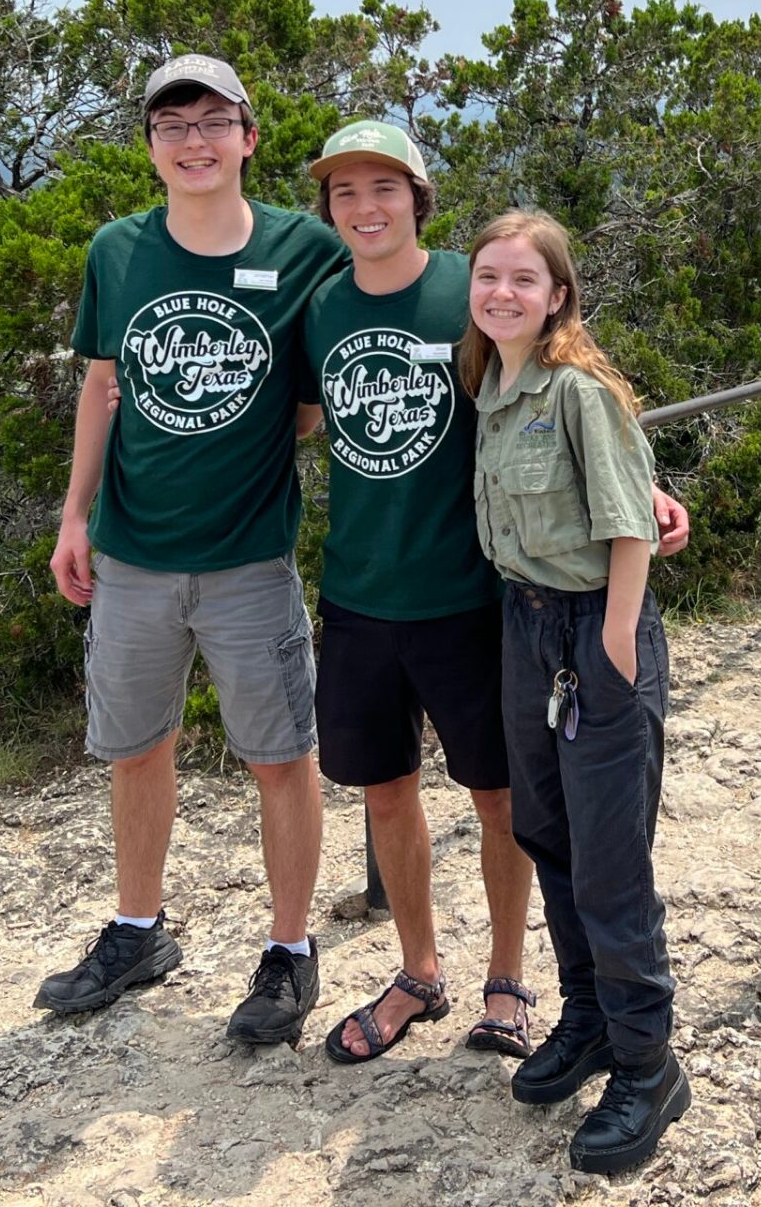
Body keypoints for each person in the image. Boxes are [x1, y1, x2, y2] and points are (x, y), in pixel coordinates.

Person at [301, 120, 691, 1065]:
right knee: (388, 794)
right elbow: (300, 417)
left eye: (383, 188)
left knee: (509, 804)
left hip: (482, 602)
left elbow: (565, 400)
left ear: (419, 200)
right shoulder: (320, 306)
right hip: (359, 594)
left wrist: (638, 497)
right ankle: (419, 972)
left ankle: (511, 982)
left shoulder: (466, 295)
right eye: (344, 192)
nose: (365, 207)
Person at [36, 53, 346, 1048]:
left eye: (215, 121)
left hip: (251, 557)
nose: (195, 141)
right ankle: (139, 929)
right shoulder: (117, 252)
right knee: (137, 749)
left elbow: (312, 398)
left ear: (250, 138)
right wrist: (74, 516)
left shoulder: (307, 250)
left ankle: (290, 951)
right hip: (132, 554)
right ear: (152, 149)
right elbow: (98, 385)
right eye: (173, 126)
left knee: (281, 756)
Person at [461, 209, 689, 1177]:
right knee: (546, 832)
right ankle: (588, 1016)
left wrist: (614, 640)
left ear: (559, 295)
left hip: (596, 623)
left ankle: (648, 1061)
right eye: (489, 277)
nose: (503, 293)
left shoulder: (579, 391)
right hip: (525, 625)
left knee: (608, 856)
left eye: (524, 279)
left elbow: (631, 520)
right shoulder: (488, 378)